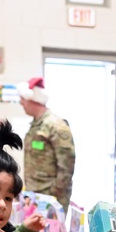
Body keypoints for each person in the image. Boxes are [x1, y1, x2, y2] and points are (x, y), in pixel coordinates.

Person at [18, 77, 76, 212]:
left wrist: (55, 193)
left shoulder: (56, 125)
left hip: (52, 196)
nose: (22, 104)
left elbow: (67, 165)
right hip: (35, 194)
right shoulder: (35, 125)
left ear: (33, 99)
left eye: (23, 101)